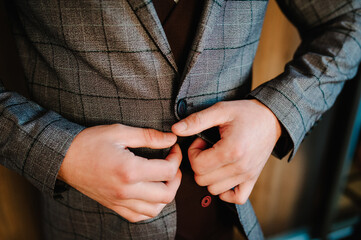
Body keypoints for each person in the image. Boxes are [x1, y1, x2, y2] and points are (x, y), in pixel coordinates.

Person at [0, 0, 360, 239]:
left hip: (225, 221)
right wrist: (57, 152)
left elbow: (350, 18)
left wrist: (275, 115)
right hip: (89, 226)